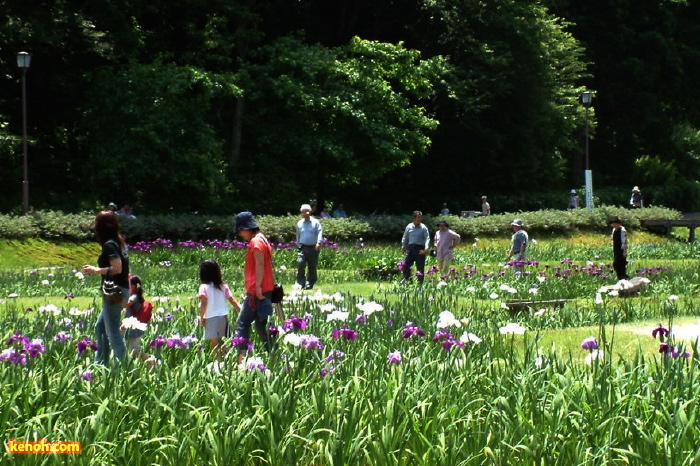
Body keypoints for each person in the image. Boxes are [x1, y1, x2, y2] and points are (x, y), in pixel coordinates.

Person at [83, 210, 129, 364]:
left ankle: (122, 366)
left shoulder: (110, 245)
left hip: (114, 292)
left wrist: (96, 270)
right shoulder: (119, 241)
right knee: (100, 328)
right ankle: (100, 364)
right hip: (121, 289)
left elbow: (118, 268)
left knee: (112, 331)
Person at [233, 211, 276, 365]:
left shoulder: (255, 242)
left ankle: (241, 358)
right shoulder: (263, 239)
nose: (240, 234)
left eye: (240, 230)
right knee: (260, 324)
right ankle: (272, 354)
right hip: (266, 288)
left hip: (258, 290)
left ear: (247, 228)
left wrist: (257, 287)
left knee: (242, 323)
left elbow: (260, 264)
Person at [198, 260, 241, 361]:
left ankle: (218, 362)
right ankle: (227, 360)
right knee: (224, 341)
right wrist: (240, 311)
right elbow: (232, 300)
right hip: (223, 318)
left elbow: (204, 303)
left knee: (214, 343)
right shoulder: (223, 286)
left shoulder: (203, 287)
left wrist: (202, 316)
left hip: (211, 317)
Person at [122, 275, 156, 367]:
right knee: (132, 350)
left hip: (133, 330)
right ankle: (150, 362)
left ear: (132, 287)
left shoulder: (134, 297)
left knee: (134, 351)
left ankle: (152, 361)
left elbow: (124, 305)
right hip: (133, 328)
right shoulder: (137, 296)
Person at [296, 204, 323, 289]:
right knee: (300, 263)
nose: (306, 213)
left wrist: (319, 242)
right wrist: (298, 244)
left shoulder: (316, 222)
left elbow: (319, 232)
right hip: (303, 247)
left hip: (313, 247)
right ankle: (300, 283)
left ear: (310, 212)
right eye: (304, 211)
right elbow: (298, 235)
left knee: (312, 266)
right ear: (301, 213)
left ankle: (310, 283)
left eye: (308, 211)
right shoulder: (299, 223)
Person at [401, 211, 430, 285]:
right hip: (410, 248)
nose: (420, 219)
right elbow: (405, 237)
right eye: (418, 218)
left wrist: (426, 248)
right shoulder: (409, 226)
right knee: (406, 265)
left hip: (420, 249)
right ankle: (407, 280)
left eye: (421, 217)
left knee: (420, 267)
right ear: (414, 218)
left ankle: (419, 284)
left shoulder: (423, 227)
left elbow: (427, 238)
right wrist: (403, 247)